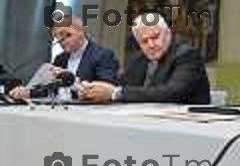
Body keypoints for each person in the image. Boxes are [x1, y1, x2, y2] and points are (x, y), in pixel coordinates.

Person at [79, 12, 210, 104]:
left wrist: (116, 93)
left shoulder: (187, 56)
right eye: (144, 41)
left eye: (155, 37)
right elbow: (120, 84)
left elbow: (172, 93)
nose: (151, 45)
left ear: (168, 33)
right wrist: (92, 89)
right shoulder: (139, 59)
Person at [10, 16, 119, 100]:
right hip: (59, 108)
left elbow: (105, 89)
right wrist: (28, 92)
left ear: (81, 32)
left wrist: (72, 80)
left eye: (65, 34)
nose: (60, 40)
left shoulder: (103, 55)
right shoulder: (60, 58)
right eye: (56, 36)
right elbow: (49, 88)